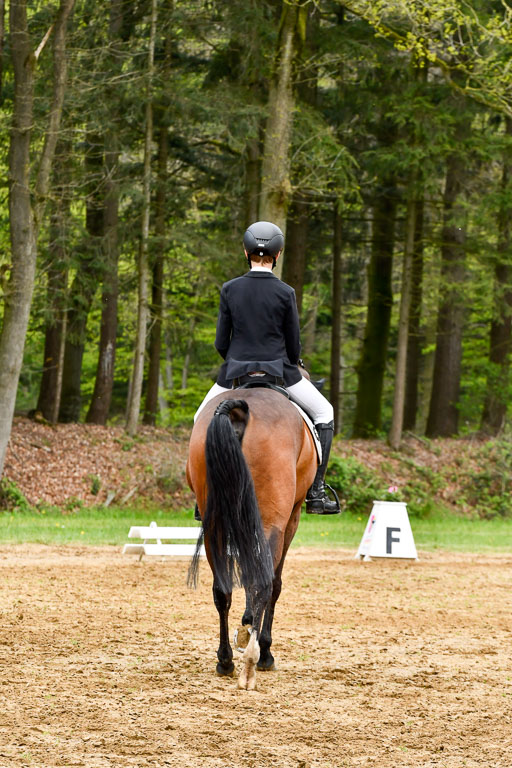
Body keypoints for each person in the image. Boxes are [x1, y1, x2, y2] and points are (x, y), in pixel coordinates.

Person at [194, 220, 339, 515]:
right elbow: (294, 345)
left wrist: (236, 360)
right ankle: (316, 491)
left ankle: (202, 496)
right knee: (325, 413)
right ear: (279, 253)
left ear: (246, 252)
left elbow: (222, 342)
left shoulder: (230, 289)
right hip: (279, 372)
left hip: (235, 374)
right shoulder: (285, 292)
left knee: (200, 418)